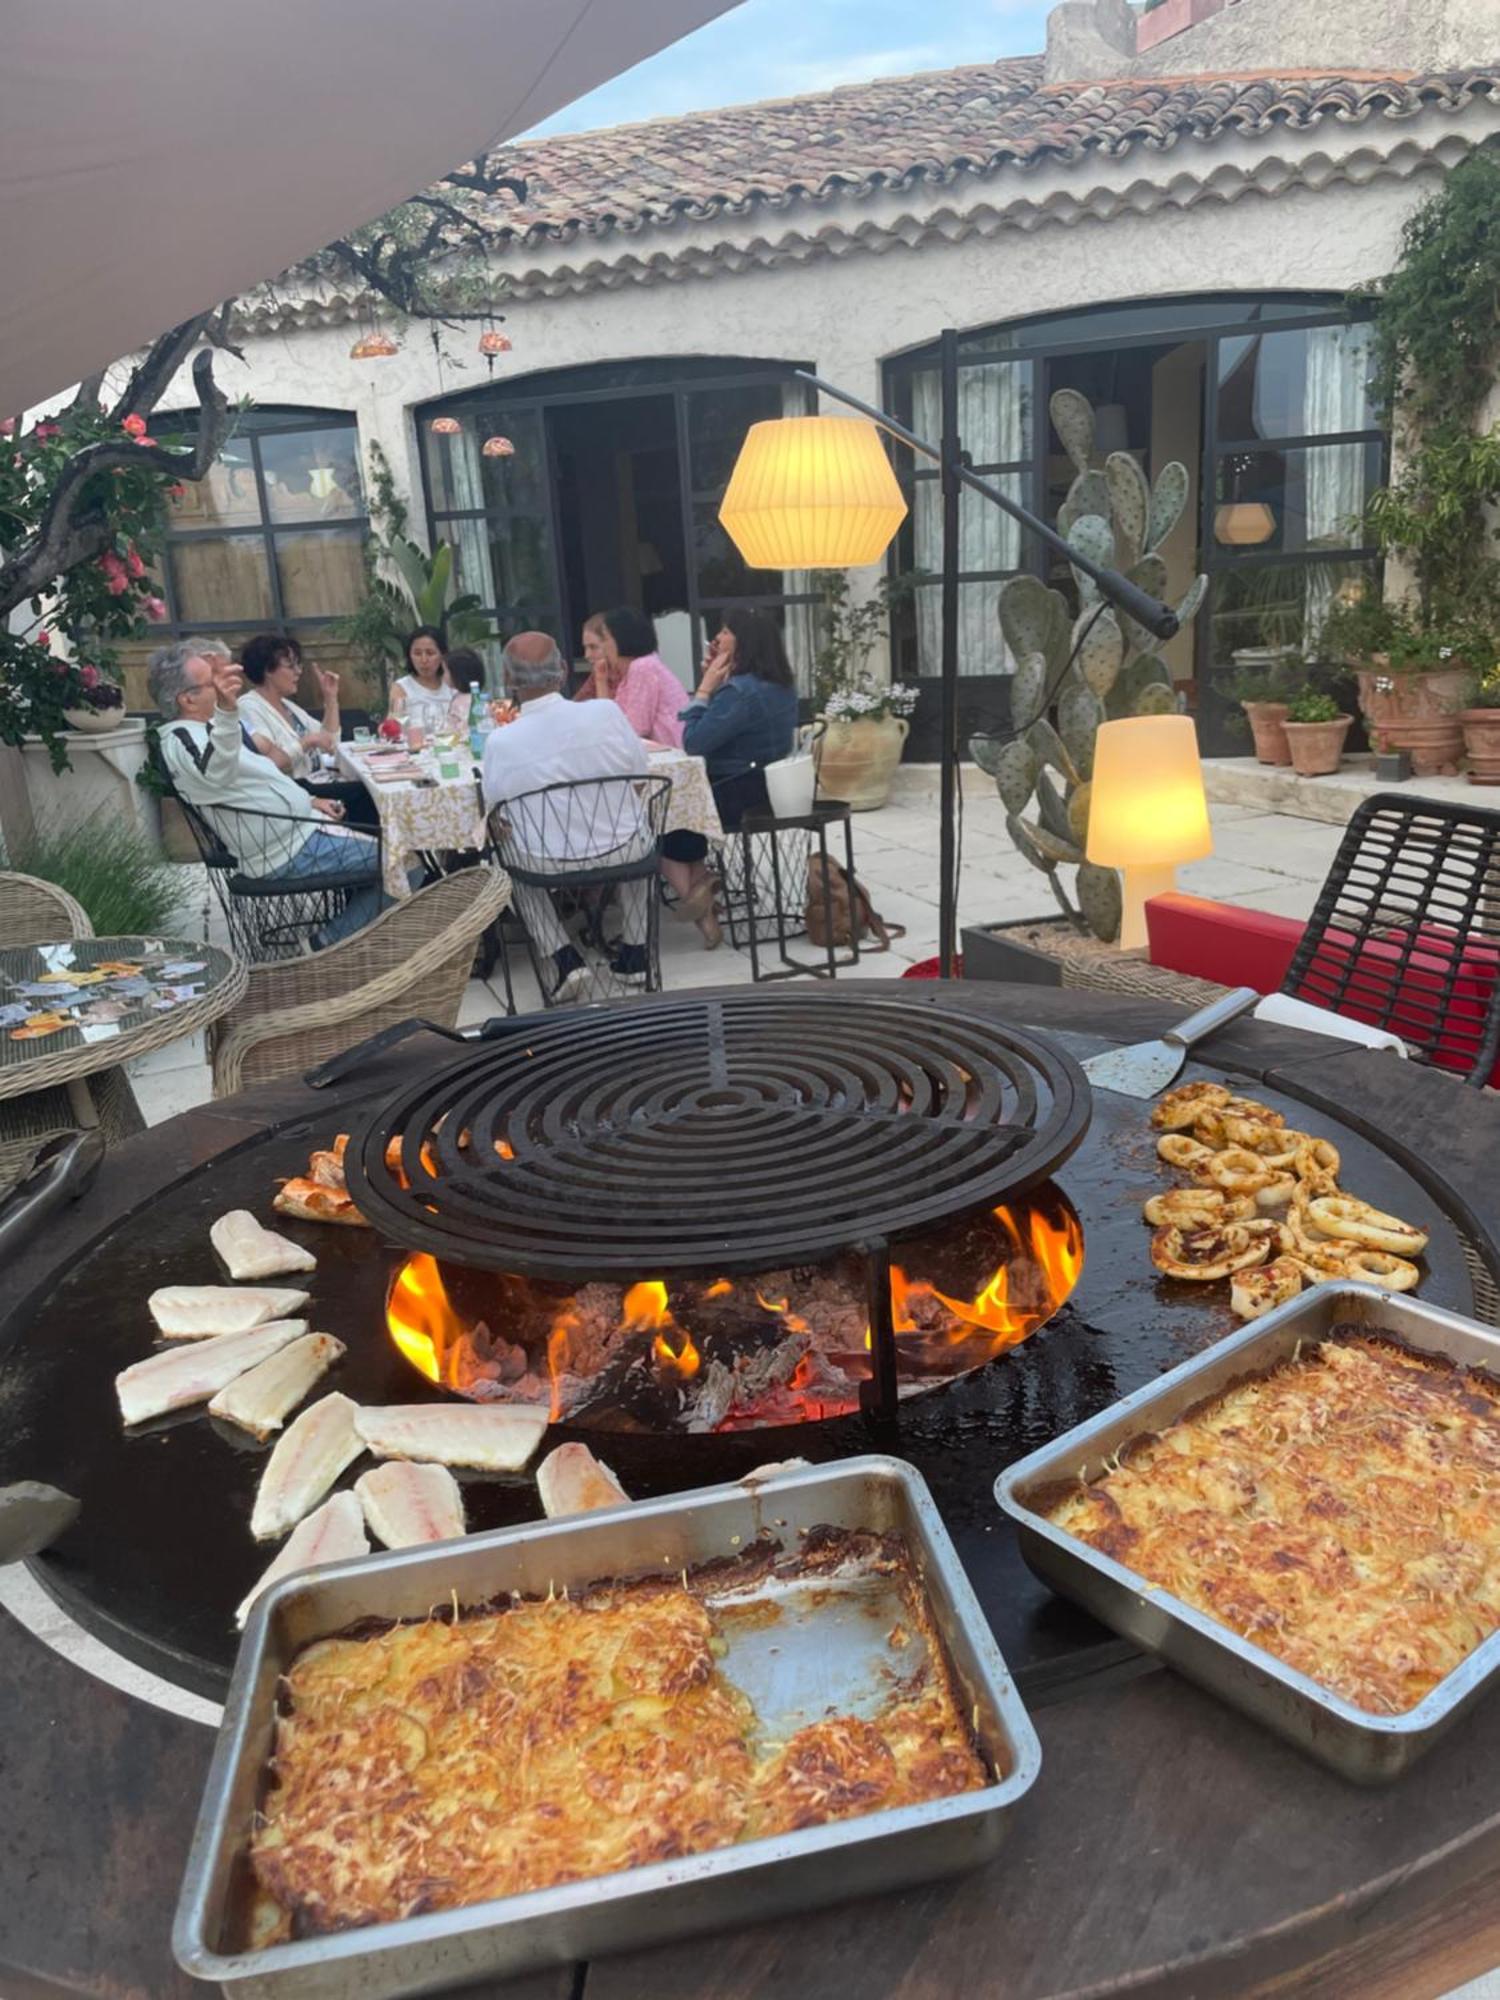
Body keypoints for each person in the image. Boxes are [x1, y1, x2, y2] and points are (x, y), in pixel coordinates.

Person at [149, 639, 386, 948]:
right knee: (404, 860)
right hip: (286, 851)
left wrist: (310, 801)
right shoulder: (184, 738)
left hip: (304, 831)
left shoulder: (209, 729)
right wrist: (227, 711)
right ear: (188, 700)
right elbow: (216, 772)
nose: (225, 686)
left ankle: (364, 941)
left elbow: (262, 775)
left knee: (397, 845)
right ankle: (327, 945)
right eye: (213, 683)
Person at [481, 632, 652, 1003]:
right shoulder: (606, 712)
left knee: (501, 856)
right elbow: (641, 776)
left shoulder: (500, 742)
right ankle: (636, 952)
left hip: (547, 862)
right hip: (622, 850)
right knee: (639, 827)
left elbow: (496, 817)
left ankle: (563, 957)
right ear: (561, 671)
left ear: (508, 681)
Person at [664, 609, 800, 943]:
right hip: (771, 788)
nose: (717, 638)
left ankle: (702, 906)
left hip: (734, 792)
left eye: (725, 631)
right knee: (683, 815)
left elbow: (694, 743)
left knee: (659, 822)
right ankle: (703, 886)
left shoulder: (739, 692)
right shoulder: (781, 686)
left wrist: (705, 690)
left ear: (743, 643)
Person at [575, 608, 685, 749]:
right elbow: (609, 721)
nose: (605, 647)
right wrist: (600, 681)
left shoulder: (642, 667)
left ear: (622, 638)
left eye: (606, 639)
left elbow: (635, 728)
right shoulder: (633, 670)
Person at [237, 633, 340, 780]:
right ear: (268, 670)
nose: (299, 672)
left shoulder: (288, 706)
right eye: (291, 666)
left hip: (321, 780)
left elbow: (330, 742)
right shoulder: (248, 707)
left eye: (298, 665)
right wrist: (307, 741)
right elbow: (269, 762)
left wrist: (331, 699)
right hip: (295, 789)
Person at [389, 627, 455, 738]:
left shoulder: (453, 684)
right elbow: (393, 726)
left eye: (430, 653)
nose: (424, 660)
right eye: (417, 653)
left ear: (443, 655)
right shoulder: (401, 687)